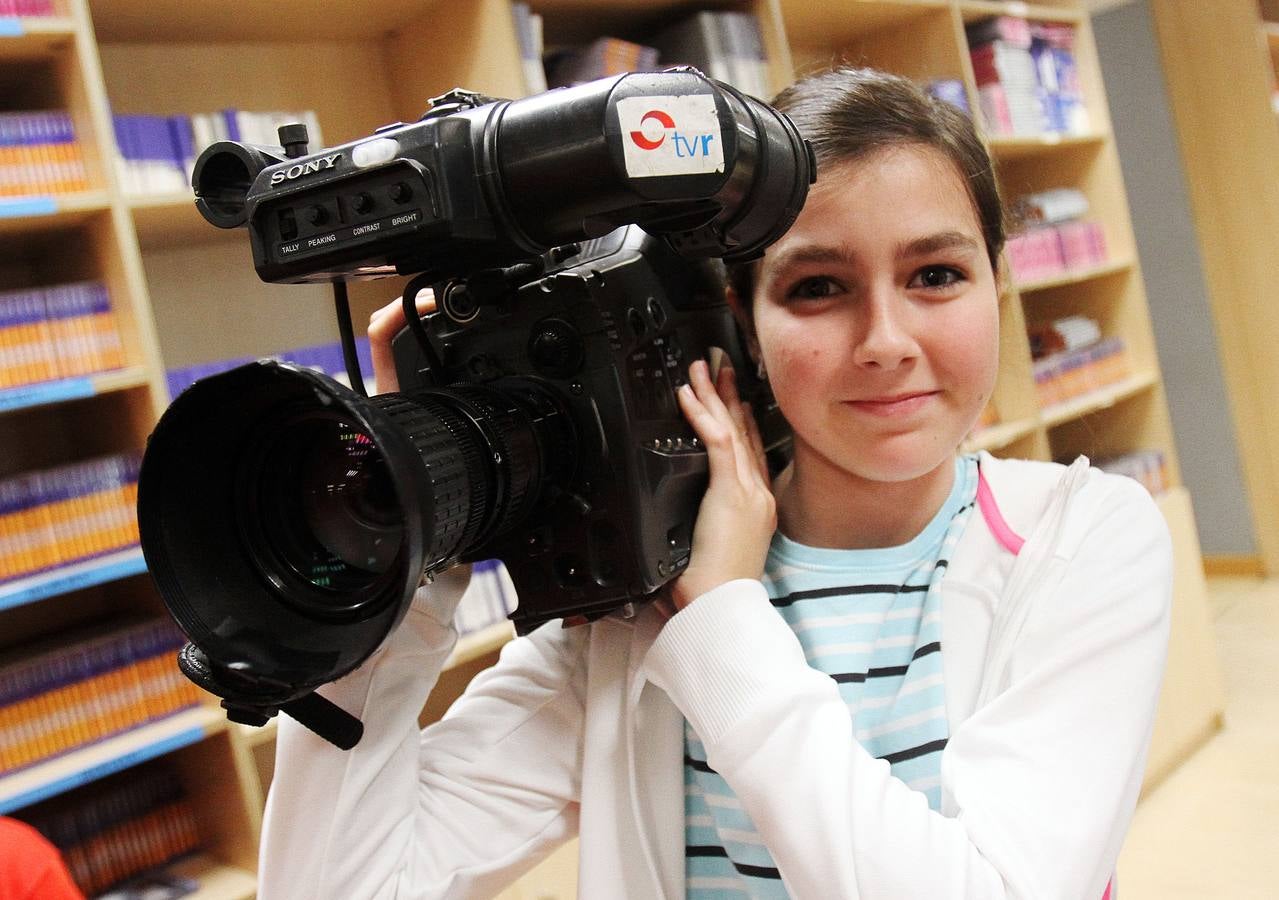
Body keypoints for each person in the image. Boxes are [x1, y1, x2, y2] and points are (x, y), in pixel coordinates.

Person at [259, 67, 1170, 899]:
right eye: (817, 287)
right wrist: (406, 542)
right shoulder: (637, 607)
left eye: (935, 275)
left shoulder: (1079, 540)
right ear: (742, 319)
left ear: (997, 283)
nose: (886, 341)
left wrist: (727, 618)